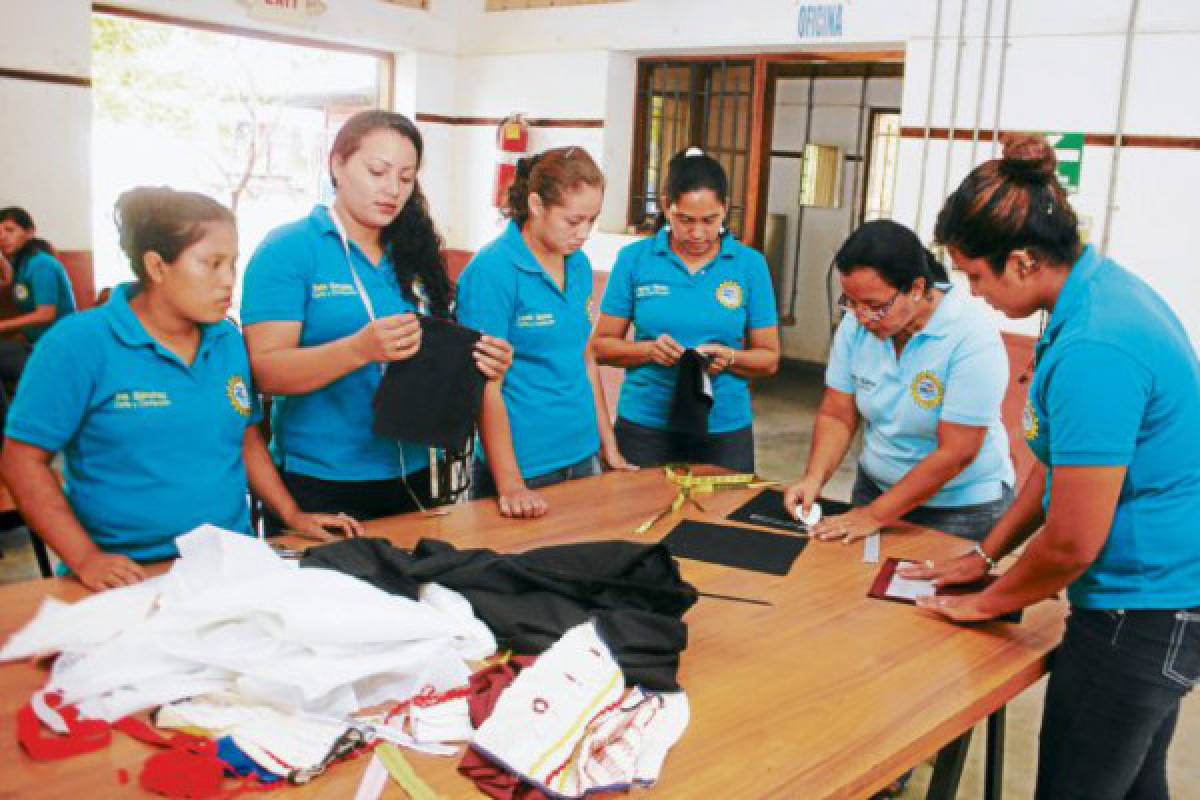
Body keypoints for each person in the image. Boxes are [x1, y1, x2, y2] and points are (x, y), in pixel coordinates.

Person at [906, 135, 1200, 800]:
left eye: (976, 276)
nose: (974, 293)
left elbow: (1072, 541)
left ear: (1020, 260)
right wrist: (985, 554)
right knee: (1132, 784)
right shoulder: (1093, 295)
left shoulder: (1098, 342)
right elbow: (1057, 464)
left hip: (1143, 607)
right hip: (1161, 598)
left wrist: (988, 603)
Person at [0, 187, 359, 591]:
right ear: (157, 266)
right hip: (128, 575)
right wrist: (85, 557)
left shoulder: (227, 341)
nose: (228, 281)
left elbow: (245, 439)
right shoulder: (78, 344)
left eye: (233, 265)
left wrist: (292, 515)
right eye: (212, 264)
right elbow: (21, 461)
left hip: (228, 563)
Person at [241, 111, 512, 525]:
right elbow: (265, 373)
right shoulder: (290, 249)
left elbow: (435, 358)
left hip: (415, 472)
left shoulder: (414, 253)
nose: (392, 190)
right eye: (377, 171)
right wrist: (357, 350)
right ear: (337, 164)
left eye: (406, 178)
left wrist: (481, 364)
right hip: (321, 479)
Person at [783, 220, 1015, 544]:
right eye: (851, 302)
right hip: (876, 490)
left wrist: (875, 515)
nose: (862, 317)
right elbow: (838, 412)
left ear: (917, 288)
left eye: (876, 306)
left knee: (935, 594)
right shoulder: (856, 326)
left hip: (961, 509)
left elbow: (957, 452)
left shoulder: (971, 335)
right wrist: (814, 478)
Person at [456, 147, 634, 519]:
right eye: (573, 221)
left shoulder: (580, 265)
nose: (583, 233)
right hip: (524, 468)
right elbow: (483, 383)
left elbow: (583, 357)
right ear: (536, 205)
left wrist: (608, 446)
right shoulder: (492, 271)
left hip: (582, 456)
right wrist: (510, 484)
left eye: (592, 220)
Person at [591, 148, 780, 472]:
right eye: (684, 220)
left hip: (723, 429)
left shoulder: (750, 265)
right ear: (666, 206)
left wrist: (731, 358)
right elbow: (601, 347)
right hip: (645, 426)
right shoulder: (635, 259)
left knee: (720, 519)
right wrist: (649, 351)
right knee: (638, 516)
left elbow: (769, 358)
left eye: (710, 221)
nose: (697, 233)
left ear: (725, 209)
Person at [0, 208, 77, 393]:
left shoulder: (41, 264)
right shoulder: (19, 264)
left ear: (29, 232)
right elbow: (5, 281)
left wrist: (2, 326)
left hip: (58, 350)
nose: (3, 237)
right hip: (35, 346)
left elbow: (46, 314)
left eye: (10, 230)